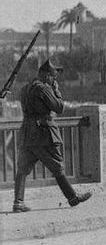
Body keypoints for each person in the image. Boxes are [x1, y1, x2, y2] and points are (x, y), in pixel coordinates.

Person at [10, 59, 93, 212]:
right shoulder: (43, 89)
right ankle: (73, 198)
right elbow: (59, 107)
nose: (54, 80)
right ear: (46, 75)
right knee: (57, 167)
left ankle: (18, 203)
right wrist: (56, 91)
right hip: (43, 134)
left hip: (27, 134)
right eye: (53, 77)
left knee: (22, 169)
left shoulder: (25, 89)